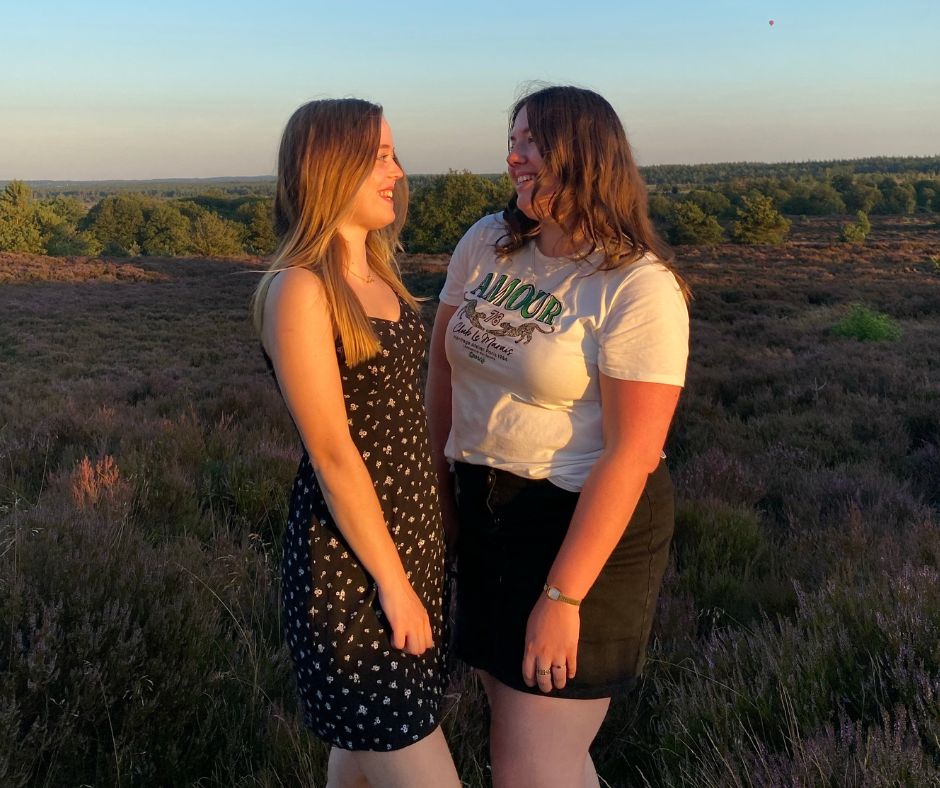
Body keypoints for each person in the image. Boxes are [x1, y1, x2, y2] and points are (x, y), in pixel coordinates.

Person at [426, 86, 690, 788]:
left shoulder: (636, 285)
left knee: (528, 771)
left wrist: (564, 597)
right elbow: (441, 369)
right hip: (486, 506)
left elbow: (633, 452)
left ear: (588, 154)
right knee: (544, 754)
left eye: (533, 141)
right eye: (513, 141)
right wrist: (442, 498)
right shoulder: (488, 242)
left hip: (579, 527)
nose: (515, 156)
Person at [252, 99, 459, 788]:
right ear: (329, 166)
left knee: (361, 763)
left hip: (407, 554)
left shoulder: (379, 277)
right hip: (354, 573)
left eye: (395, 156)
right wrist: (395, 588)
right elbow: (335, 457)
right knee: (400, 747)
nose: (397, 173)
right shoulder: (301, 290)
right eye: (379, 157)